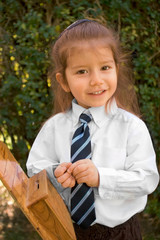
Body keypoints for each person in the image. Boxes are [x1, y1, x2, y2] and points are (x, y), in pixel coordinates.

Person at [26, 19, 159, 240]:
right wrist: (55, 174)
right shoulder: (54, 128)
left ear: (116, 68)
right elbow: (33, 170)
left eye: (105, 67)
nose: (96, 80)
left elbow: (147, 179)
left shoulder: (131, 127)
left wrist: (100, 177)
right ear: (64, 81)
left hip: (121, 233)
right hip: (66, 230)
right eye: (82, 72)